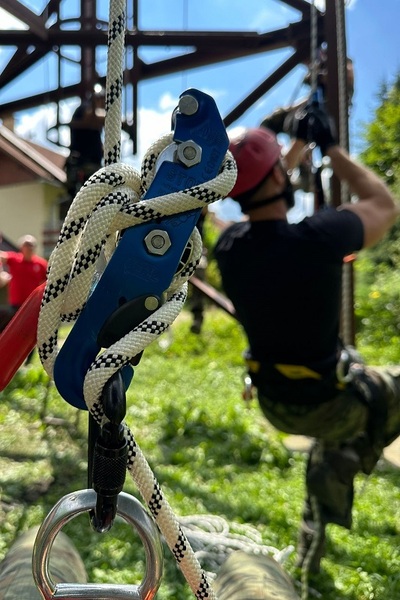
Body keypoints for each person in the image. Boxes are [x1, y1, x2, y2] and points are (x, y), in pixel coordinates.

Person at [214, 104, 400, 573]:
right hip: (327, 404)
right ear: (279, 177)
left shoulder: (231, 248)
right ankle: (345, 453)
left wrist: (275, 151)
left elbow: (259, 188)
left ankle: (327, 485)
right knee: (366, 401)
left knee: (345, 380)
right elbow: (385, 205)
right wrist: (332, 149)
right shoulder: (321, 238)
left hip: (277, 403)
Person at [0, 235, 47, 348]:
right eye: (26, 245)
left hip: (32, 304)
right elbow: (2, 256)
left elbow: (47, 281)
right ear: (21, 247)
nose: (29, 248)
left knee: (30, 332)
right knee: (9, 328)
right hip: (16, 304)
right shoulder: (15, 259)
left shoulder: (40, 264)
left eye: (31, 245)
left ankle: (28, 360)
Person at [65, 90, 105, 198]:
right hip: (83, 164)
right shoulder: (84, 109)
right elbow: (92, 116)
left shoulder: (94, 126)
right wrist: (114, 117)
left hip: (89, 164)